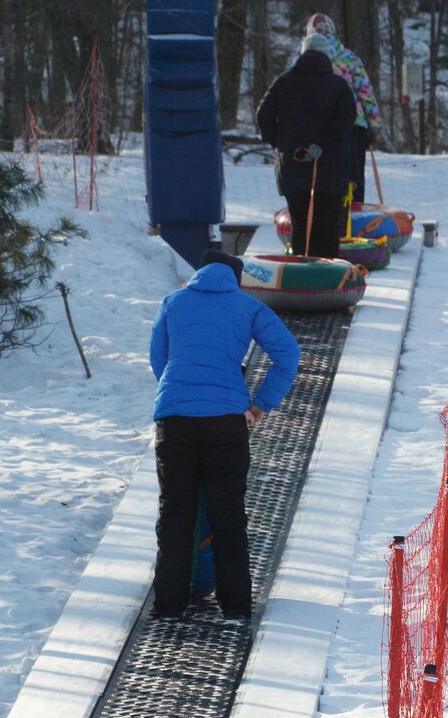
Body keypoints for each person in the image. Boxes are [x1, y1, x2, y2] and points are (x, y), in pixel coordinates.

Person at [149, 251, 300, 618]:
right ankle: (235, 606)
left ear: (199, 272)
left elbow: (159, 358)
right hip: (226, 421)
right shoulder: (248, 307)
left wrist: (180, 394)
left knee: (175, 512)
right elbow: (288, 353)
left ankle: (168, 606)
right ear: (237, 279)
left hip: (176, 420)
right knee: (227, 513)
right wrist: (262, 403)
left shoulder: (173, 301)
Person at [256, 34, 356, 259]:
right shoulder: (339, 86)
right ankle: (328, 277)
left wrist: (280, 144)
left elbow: (263, 116)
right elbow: (347, 119)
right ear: (327, 57)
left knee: (300, 223)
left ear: (302, 54)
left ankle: (300, 275)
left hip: (293, 163)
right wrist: (324, 143)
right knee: (328, 224)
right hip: (331, 166)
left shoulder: (283, 82)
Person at [301, 13, 385, 204]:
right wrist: (375, 125)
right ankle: (354, 214)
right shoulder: (349, 57)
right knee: (353, 176)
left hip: (317, 127)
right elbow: (366, 93)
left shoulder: (300, 57)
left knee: (322, 177)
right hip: (354, 125)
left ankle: (321, 219)